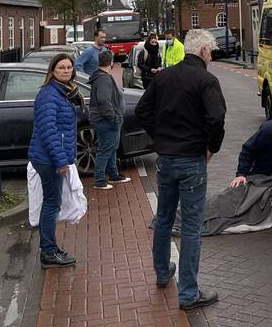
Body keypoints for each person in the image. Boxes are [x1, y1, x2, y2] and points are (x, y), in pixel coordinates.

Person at [135, 28, 226, 311]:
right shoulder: (206, 80)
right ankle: (188, 293)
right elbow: (217, 118)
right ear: (203, 51)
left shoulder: (163, 77)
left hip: (166, 158)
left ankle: (163, 272)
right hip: (192, 160)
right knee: (190, 225)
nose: (210, 56)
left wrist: (159, 138)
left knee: (163, 218)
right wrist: (211, 148)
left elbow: (142, 111)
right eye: (210, 52)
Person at [29, 53, 80, 268]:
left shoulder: (63, 93)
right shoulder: (49, 95)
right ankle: (48, 252)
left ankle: (50, 248)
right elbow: (49, 131)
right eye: (61, 67)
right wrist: (61, 161)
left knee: (52, 202)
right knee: (52, 204)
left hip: (52, 157)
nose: (66, 71)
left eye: (69, 67)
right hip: (48, 159)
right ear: (52, 71)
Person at [89, 49, 132, 190]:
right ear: (111, 62)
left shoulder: (100, 77)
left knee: (112, 148)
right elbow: (103, 100)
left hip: (106, 119)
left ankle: (113, 174)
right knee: (105, 150)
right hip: (106, 120)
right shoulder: (104, 78)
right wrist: (113, 117)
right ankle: (99, 180)